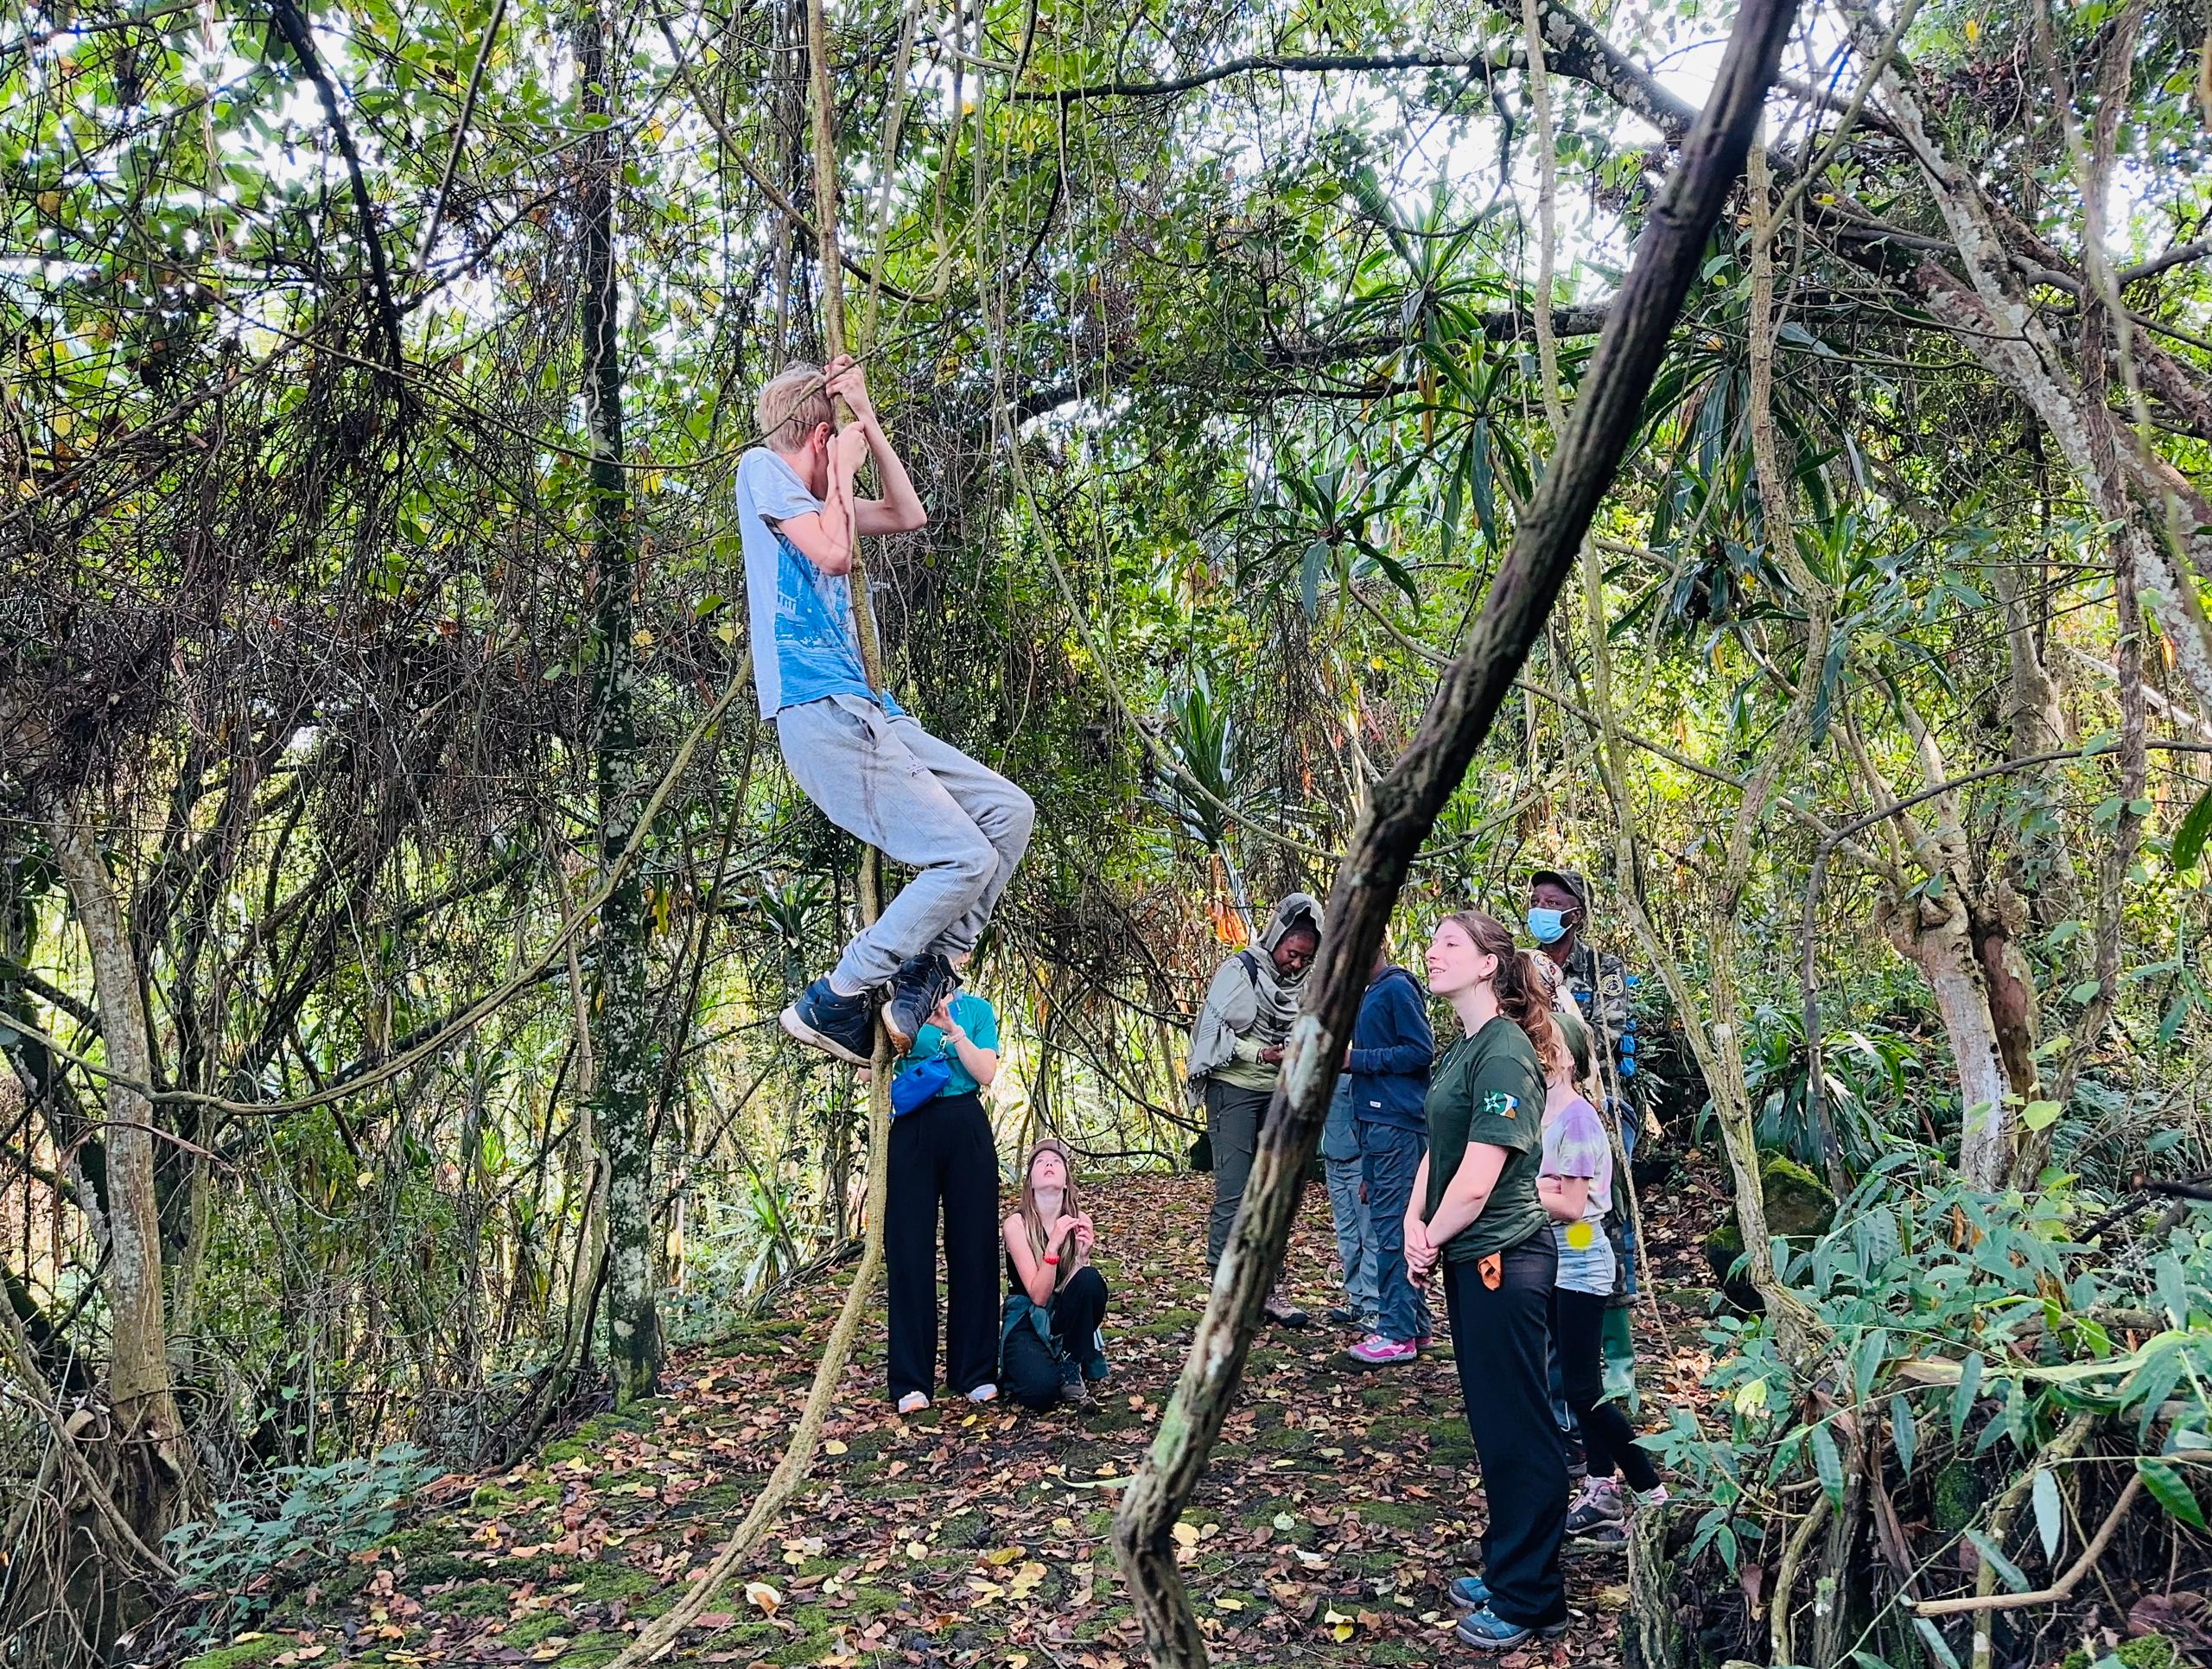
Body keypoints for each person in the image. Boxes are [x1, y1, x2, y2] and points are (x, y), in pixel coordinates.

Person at [741, 357, 1036, 1065]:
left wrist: (866, 421)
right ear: (815, 441)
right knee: (963, 857)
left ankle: (926, 969)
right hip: (820, 711)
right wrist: (839, 470)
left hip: (872, 711)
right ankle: (835, 995)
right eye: (833, 441)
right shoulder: (760, 469)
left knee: (1009, 813)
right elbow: (837, 554)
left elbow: (909, 514)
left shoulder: (821, 495)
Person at [1406, 911, 1568, 1653]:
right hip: (1469, 1257)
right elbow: (1436, 1151)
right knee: (1491, 1424)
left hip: (1508, 1255)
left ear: (1486, 966)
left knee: (1519, 1426)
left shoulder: (1505, 1052)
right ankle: (1508, 1564)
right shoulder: (1464, 1049)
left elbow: (1478, 1178)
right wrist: (1416, 1221)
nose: (1432, 953)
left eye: (1449, 944)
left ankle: (1532, 1595)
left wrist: (1433, 1234)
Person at [1538, 1003, 1668, 1544]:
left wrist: (1502, 1193)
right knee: (1574, 1380)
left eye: (1540, 1040)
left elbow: (1571, 1205)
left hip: (1582, 1258)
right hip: (1553, 1259)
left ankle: (1652, 1492)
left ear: (1564, 1055)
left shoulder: (1578, 1118)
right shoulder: (1541, 1112)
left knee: (1583, 1388)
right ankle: (1601, 1489)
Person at [1529, 867, 1642, 1392]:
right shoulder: (1520, 968)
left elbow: (1604, 1035)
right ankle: (1562, 1360)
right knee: (1548, 1224)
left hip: (1597, 1108)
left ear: (1576, 911)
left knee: (1600, 1219)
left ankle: (1616, 1357)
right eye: (1536, 901)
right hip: (1539, 1107)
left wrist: (1557, 1006)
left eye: (1553, 901)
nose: (1542, 909)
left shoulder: (1603, 969)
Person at [1185, 893, 1321, 1328]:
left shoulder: (1309, 983)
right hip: (1234, 1091)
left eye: (1305, 957)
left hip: (1280, 1094)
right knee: (1235, 1190)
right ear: (1276, 938)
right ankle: (1224, 1292)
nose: (1295, 964)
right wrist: (1262, 1053)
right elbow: (1215, 1034)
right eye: (1291, 953)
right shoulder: (1240, 971)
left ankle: (1271, 1289)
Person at [884, 989, 1003, 1413]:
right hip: (911, 1123)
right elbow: (868, 1071)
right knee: (908, 1248)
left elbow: (985, 1072)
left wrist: (952, 1029)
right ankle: (911, 1381)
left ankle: (975, 1371)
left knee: (975, 1247)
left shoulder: (976, 1010)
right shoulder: (896, 1004)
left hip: (965, 1122)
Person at [1344, 945, 1436, 1367]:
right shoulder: (1372, 991)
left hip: (1396, 1124)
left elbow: (1420, 1051)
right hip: (1377, 1127)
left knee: (1395, 1230)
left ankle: (1396, 1331)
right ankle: (1415, 1325)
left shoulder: (1397, 988)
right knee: (1392, 1222)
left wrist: (1356, 1060)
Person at [1000, 1139, 1112, 1409]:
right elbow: (1038, 1296)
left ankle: (1071, 1359)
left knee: (1091, 1280)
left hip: (1062, 1313)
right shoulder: (1017, 1224)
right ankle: (1037, 1363)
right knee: (1040, 1394)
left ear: (1065, 1181)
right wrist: (1053, 1248)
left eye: (1056, 1162)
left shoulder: (1079, 1219)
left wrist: (1083, 1255)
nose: (1049, 1164)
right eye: (1041, 1162)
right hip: (1028, 1315)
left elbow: (1079, 1292)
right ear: (1030, 1182)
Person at [1321, 1076, 1379, 1332]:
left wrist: (1368, 1170)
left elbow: (1366, 1120)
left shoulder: (1349, 1078)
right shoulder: (1311, 1076)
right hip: (1332, 1164)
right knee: (1347, 1237)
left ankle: (1374, 1306)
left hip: (1356, 1164)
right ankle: (1356, 1299)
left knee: (1369, 1236)